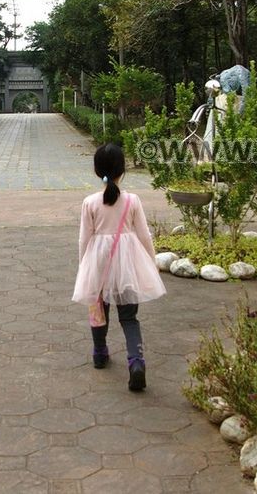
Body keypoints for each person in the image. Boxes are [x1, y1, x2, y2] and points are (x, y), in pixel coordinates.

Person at [73, 143, 166, 390]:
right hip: (127, 265)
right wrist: (152, 261)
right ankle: (136, 361)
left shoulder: (90, 202)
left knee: (98, 310)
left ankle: (100, 353)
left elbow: (84, 238)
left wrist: (84, 265)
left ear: (96, 171)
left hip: (99, 264)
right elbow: (144, 235)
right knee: (129, 317)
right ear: (122, 170)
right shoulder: (132, 200)